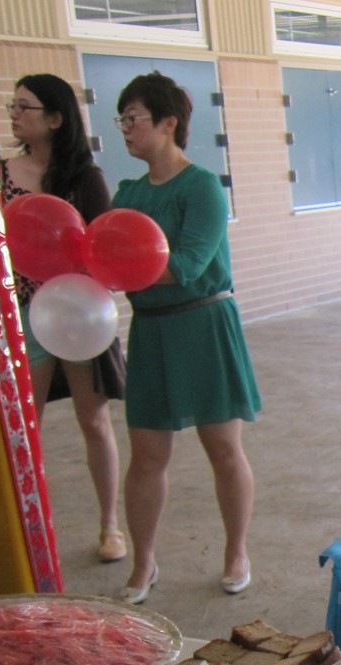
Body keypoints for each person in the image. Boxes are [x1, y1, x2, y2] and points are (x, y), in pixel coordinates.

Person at [112, 72, 261, 604]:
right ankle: (144, 563)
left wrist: (119, 265)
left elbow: (188, 264)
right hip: (151, 331)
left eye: (133, 118)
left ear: (168, 123)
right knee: (146, 456)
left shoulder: (200, 187)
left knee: (223, 448)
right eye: (121, 120)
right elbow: (110, 256)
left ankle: (236, 551)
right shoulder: (127, 194)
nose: (125, 129)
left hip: (203, 324)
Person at [2, 74, 126, 564]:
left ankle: (110, 526)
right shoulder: (0, 175)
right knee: (23, 423)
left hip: (78, 313)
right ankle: (27, 523)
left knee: (93, 420)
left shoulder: (83, 178)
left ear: (55, 119)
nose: (15, 115)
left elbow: (106, 244)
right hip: (23, 314)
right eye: (13, 106)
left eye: (24, 107)